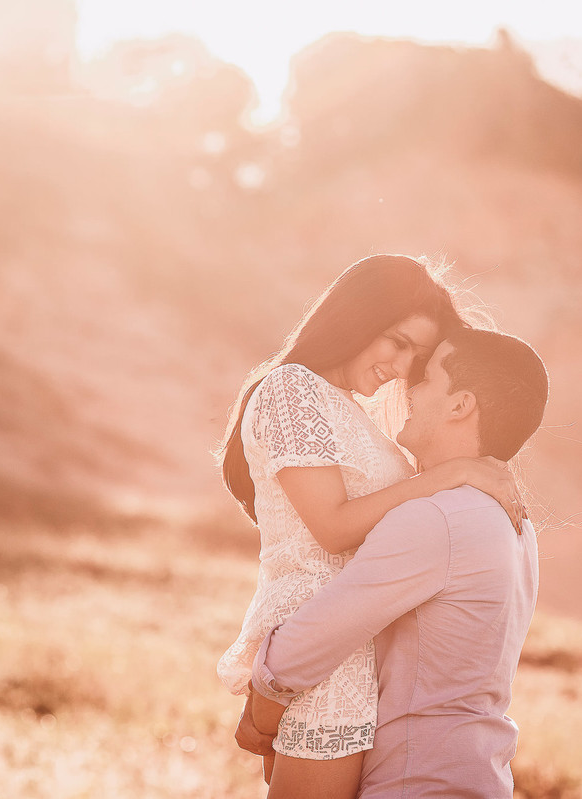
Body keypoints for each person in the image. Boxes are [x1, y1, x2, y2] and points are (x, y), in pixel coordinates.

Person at [216, 255, 525, 798]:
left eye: (418, 356)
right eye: (396, 341)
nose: (402, 368)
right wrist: (453, 473)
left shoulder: (356, 412)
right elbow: (332, 529)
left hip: (356, 647)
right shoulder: (292, 388)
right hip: (318, 653)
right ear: (355, 318)